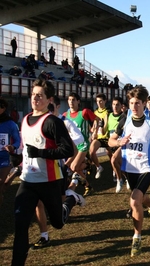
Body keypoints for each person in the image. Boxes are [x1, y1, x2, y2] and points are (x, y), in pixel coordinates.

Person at [12, 79, 84, 266]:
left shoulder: (52, 122)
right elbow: (25, 151)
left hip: (50, 180)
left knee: (58, 223)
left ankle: (71, 199)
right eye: (33, 94)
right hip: (28, 181)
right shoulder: (25, 120)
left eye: (40, 95)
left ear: (48, 99)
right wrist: (16, 156)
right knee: (20, 225)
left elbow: (67, 150)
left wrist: (41, 153)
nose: (35, 98)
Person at [108, 85, 150, 257]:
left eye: (138, 104)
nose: (134, 107)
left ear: (144, 104)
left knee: (134, 200)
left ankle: (137, 238)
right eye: (131, 103)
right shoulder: (125, 119)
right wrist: (119, 142)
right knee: (140, 197)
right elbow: (110, 141)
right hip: (130, 167)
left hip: (147, 166)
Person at [33, 95, 85, 249]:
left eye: (51, 108)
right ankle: (44, 235)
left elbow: (80, 144)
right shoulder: (35, 122)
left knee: (60, 208)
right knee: (38, 202)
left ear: (57, 108)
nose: (47, 111)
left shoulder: (65, 123)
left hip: (57, 170)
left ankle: (72, 196)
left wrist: (69, 163)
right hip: (38, 170)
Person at [64, 92, 100, 196]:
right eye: (69, 100)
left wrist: (95, 131)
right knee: (73, 168)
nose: (71, 102)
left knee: (73, 167)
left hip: (83, 144)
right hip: (72, 147)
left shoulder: (84, 112)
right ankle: (88, 185)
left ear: (78, 101)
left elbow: (97, 120)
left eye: (73, 100)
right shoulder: (65, 115)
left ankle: (87, 164)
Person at [0, 98, 21, 206]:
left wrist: (13, 146)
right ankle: (15, 172)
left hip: (4, 159)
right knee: (1, 189)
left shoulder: (10, 124)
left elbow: (18, 140)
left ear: (3, 108)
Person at [89, 93, 110, 180]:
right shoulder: (95, 112)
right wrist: (94, 131)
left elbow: (106, 125)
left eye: (101, 101)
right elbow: (95, 124)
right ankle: (98, 167)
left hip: (107, 137)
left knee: (111, 156)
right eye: (97, 101)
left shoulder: (107, 112)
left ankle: (115, 172)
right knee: (91, 152)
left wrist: (102, 128)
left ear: (105, 101)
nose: (99, 103)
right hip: (99, 137)